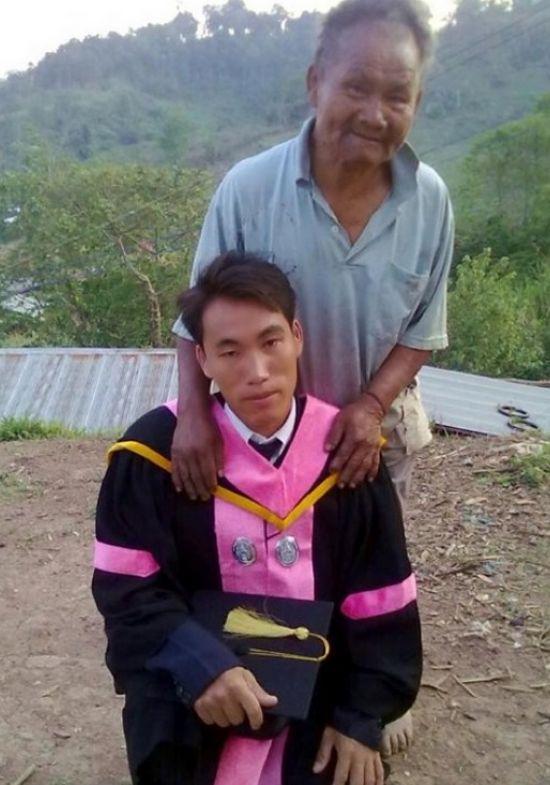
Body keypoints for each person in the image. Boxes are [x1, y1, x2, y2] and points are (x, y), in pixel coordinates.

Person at [171, 2, 452, 752]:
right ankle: (263, 684)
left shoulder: (430, 200)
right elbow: (197, 319)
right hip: (260, 429)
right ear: (315, 82)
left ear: (417, 102)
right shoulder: (248, 187)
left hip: (363, 431)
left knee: (366, 562)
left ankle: (369, 694)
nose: (375, 113)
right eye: (356, 87)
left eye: (397, 95)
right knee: (258, 562)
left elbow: (422, 330)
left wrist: (370, 404)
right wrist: (192, 415)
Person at [93, 253, 422, 785]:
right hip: (191, 692)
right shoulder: (152, 456)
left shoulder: (347, 453)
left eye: (271, 342)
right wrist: (200, 666)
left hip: (318, 692)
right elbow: (127, 592)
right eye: (230, 351)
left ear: (297, 337)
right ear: (202, 359)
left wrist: (362, 716)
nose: (258, 372)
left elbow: (380, 595)